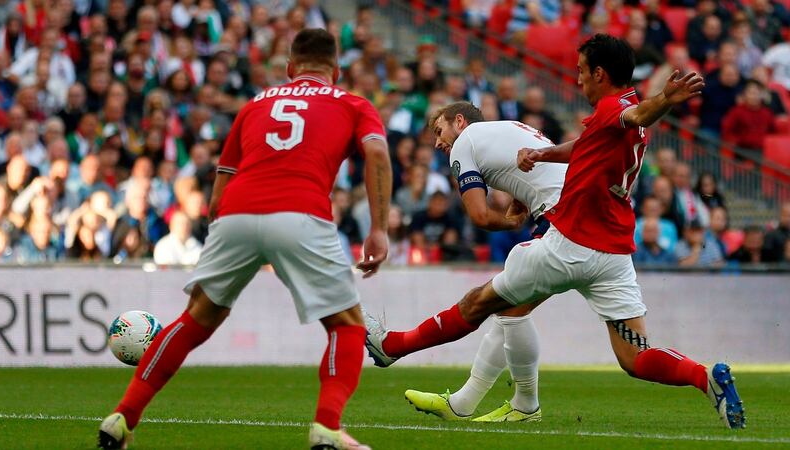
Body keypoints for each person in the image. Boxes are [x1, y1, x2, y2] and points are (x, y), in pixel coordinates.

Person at [365, 34, 744, 430]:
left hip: (569, 241)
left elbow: (638, 115)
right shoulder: (605, 115)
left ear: (600, 73)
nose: (578, 80)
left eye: (582, 72)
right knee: (634, 357)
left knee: (482, 303)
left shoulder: (615, 108)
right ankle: (706, 378)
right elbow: (591, 144)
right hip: (613, 254)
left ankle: (395, 346)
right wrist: (544, 153)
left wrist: (664, 100)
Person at [97, 29, 392, 450]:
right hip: (300, 211)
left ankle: (121, 418)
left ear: (290, 68)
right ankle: (327, 427)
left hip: (236, 211)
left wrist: (236, 236)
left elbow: (221, 183)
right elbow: (377, 155)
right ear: (337, 70)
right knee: (346, 326)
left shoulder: (255, 103)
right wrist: (378, 228)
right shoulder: (353, 103)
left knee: (193, 320)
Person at [401, 101, 566, 422]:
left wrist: (509, 222)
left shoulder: (467, 140)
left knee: (507, 307)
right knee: (510, 308)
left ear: (459, 121)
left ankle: (522, 406)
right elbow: (536, 168)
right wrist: (522, 199)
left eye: (439, 131)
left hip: (565, 216)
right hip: (571, 210)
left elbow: (479, 215)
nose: (437, 142)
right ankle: (468, 404)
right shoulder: (508, 129)